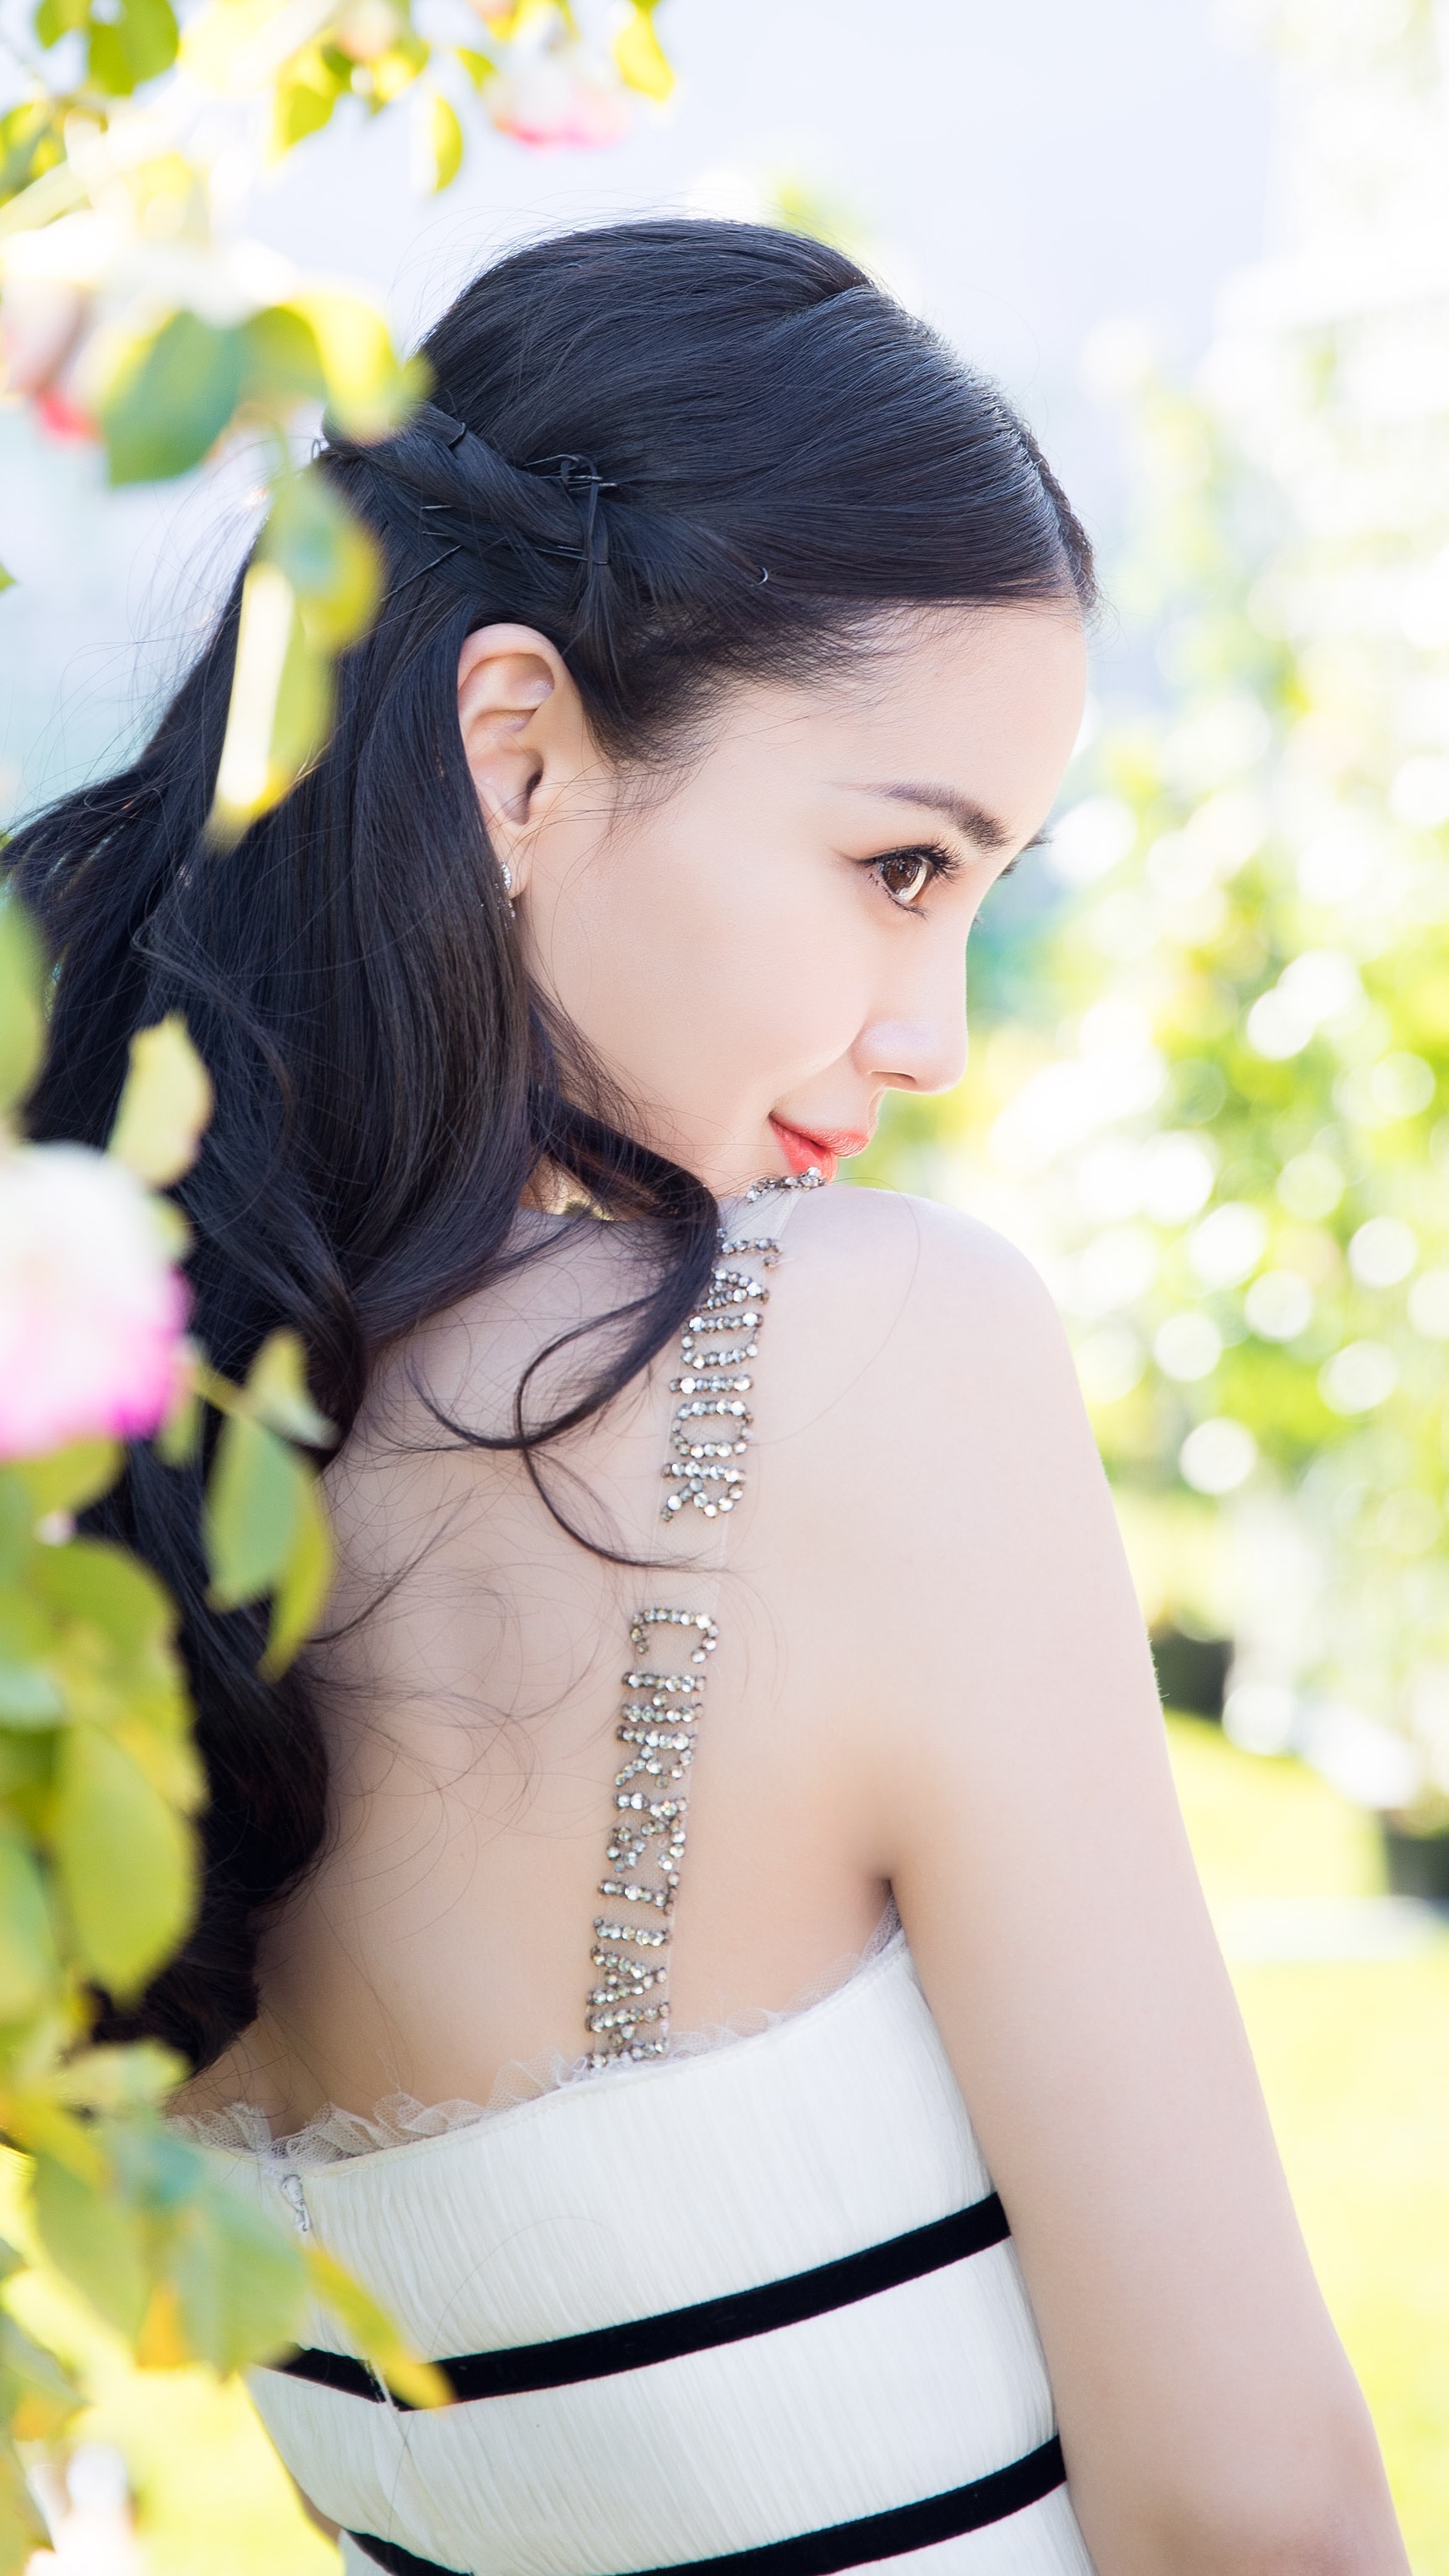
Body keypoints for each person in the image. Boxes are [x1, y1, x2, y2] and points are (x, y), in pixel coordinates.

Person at [11, 220, 1406, 2576]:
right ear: (520, 752)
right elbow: (1258, 2519)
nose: (930, 1035)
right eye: (898, 865)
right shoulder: (866, 1356)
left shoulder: (122, 1510)